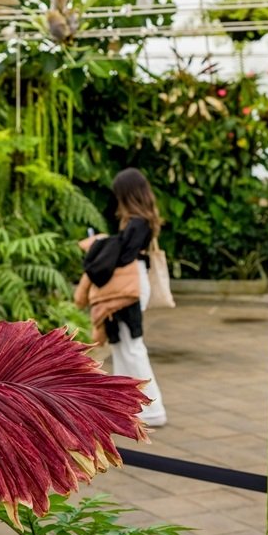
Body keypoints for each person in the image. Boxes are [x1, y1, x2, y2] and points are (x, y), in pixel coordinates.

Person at [76, 168, 167, 428]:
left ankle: (152, 408)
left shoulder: (138, 222)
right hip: (130, 285)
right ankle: (128, 405)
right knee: (122, 346)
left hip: (129, 286)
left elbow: (124, 256)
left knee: (132, 347)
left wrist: (101, 243)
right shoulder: (139, 221)